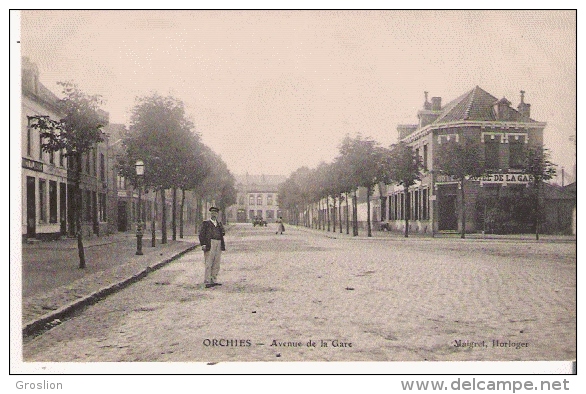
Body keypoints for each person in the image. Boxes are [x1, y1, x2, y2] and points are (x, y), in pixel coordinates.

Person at [198, 207, 225, 288]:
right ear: (210, 214)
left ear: (217, 214)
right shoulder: (206, 223)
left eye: (215, 213)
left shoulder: (219, 223)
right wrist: (203, 244)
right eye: (212, 213)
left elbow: (223, 233)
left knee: (216, 262)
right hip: (210, 243)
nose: (214, 214)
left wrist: (222, 229)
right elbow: (201, 234)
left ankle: (214, 279)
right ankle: (207, 280)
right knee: (209, 262)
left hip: (218, 243)